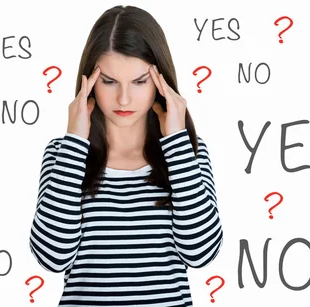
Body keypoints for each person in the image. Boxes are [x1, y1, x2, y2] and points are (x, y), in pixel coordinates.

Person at [29, 5, 223, 306]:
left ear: (161, 83)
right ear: (89, 82)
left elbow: (201, 252)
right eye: (109, 81)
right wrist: (75, 140)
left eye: (139, 81)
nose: (123, 98)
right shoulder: (62, 153)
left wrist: (177, 141)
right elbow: (52, 257)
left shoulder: (189, 153)